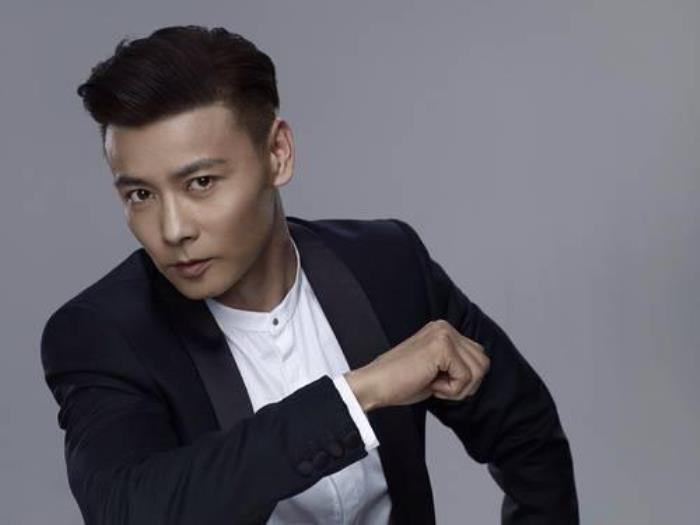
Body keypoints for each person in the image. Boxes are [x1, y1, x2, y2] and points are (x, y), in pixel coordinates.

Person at [40, 25, 579, 525]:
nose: (172, 229)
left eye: (201, 182)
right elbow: (131, 509)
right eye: (140, 194)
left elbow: (526, 432)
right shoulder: (103, 334)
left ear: (278, 154)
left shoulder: (387, 264)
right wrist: (358, 395)